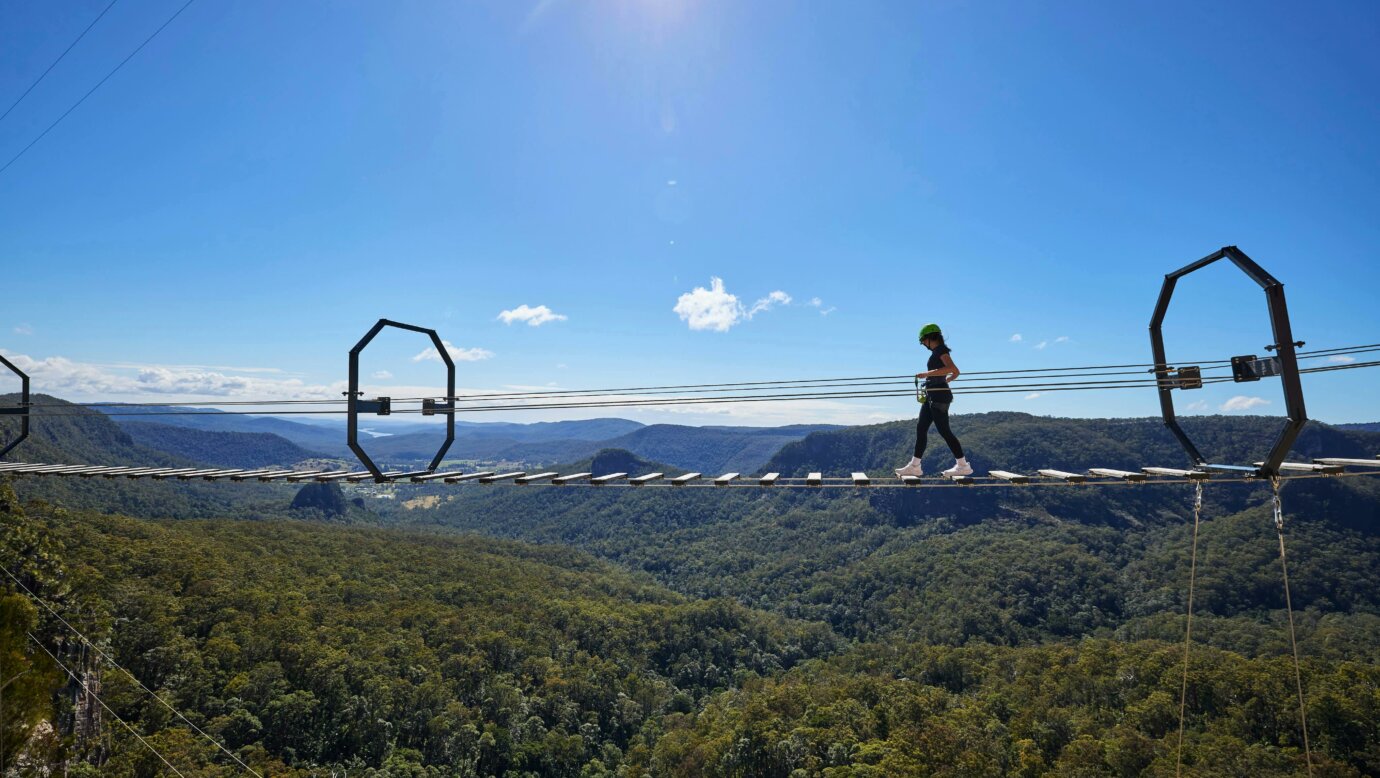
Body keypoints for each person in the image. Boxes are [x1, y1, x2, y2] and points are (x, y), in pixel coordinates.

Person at [896, 323, 972, 478]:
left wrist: (928, 374)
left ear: (931, 337)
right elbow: (956, 372)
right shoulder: (938, 352)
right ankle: (915, 466)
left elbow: (951, 368)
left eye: (923, 340)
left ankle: (963, 465)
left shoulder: (941, 350)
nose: (924, 344)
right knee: (921, 428)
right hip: (932, 394)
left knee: (944, 431)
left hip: (939, 397)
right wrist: (944, 381)